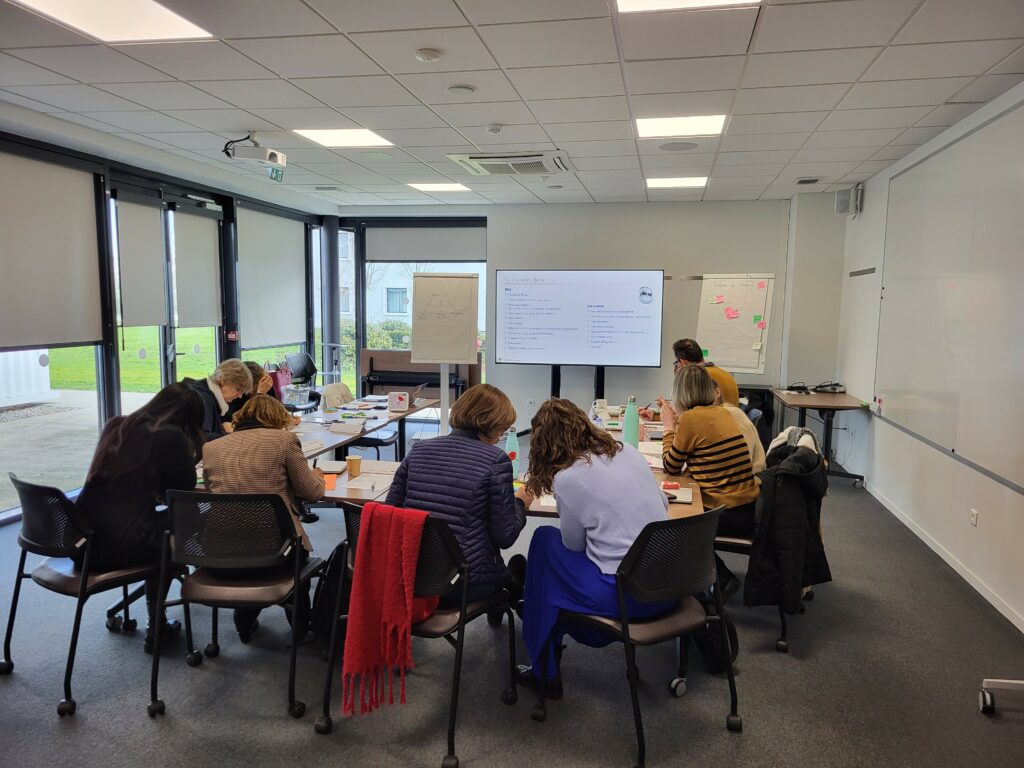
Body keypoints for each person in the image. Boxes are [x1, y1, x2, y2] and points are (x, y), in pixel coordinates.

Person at [516, 398, 672, 695]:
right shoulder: (628, 451)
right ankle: (545, 626)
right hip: (672, 587)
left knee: (544, 543)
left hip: (628, 597)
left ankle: (544, 669)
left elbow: (574, 546)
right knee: (551, 571)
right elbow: (662, 504)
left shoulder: (567, 478)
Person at [74, 382, 205, 652]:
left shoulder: (116, 425)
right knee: (184, 527)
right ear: (186, 418)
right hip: (120, 546)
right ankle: (157, 625)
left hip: (81, 542)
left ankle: (157, 609)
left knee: (168, 527)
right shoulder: (169, 435)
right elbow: (183, 487)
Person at [385, 383, 529, 603]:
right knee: (517, 567)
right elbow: (504, 536)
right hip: (462, 583)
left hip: (409, 574)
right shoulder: (495, 461)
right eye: (502, 428)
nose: (502, 434)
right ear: (491, 424)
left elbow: (389, 514)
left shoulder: (418, 450)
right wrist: (520, 503)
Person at [202, 394, 326, 641]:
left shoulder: (211, 448)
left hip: (219, 551)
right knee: (292, 560)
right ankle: (301, 629)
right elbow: (312, 493)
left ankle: (244, 621)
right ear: (278, 419)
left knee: (245, 539)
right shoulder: (285, 440)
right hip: (277, 551)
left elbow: (212, 492)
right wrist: (318, 476)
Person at [660, 365, 759, 597]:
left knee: (674, 527)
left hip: (726, 513)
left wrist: (668, 428)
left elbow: (671, 465)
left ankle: (720, 580)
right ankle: (715, 578)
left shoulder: (691, 419)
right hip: (749, 507)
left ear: (680, 393)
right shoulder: (722, 412)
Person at [639, 339, 740, 420]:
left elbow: (690, 418)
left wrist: (666, 408)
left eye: (677, 363)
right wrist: (656, 415)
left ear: (683, 362)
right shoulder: (724, 373)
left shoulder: (698, 378)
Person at [182, 358, 252, 442]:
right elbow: (201, 439)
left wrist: (221, 427)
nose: (240, 396)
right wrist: (234, 436)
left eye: (242, 392)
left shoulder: (200, 389)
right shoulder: (205, 400)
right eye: (238, 389)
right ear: (222, 380)